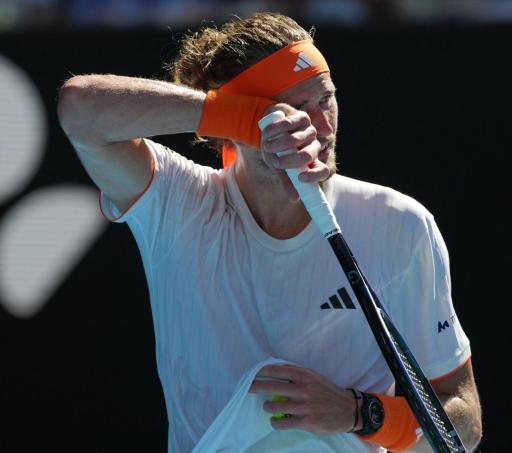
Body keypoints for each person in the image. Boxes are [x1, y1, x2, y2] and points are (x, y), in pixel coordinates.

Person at [57, 12, 482, 453]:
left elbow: (463, 421)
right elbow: (79, 109)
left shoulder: (400, 223)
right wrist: (249, 118)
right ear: (236, 125)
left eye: (325, 100)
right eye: (291, 111)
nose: (317, 128)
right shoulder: (181, 203)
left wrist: (359, 413)